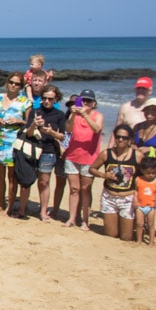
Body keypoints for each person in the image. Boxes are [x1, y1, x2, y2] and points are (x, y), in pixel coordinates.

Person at [0, 72, 32, 214]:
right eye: (11, 82)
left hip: (14, 142)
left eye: (17, 84)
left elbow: (29, 123)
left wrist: (19, 121)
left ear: (21, 86)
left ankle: (10, 205)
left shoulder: (25, 102)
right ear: (7, 83)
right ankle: (2, 203)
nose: (13, 85)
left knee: (12, 176)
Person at [89, 124, 140, 241]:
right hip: (109, 197)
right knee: (111, 234)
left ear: (130, 139)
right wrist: (103, 175)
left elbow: (144, 177)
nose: (121, 139)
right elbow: (92, 169)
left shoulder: (137, 155)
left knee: (126, 237)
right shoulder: (106, 153)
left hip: (127, 198)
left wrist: (138, 196)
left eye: (125, 138)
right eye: (118, 137)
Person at [63, 89, 104, 230]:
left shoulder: (98, 115)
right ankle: (72, 218)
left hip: (89, 158)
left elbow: (97, 129)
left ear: (94, 103)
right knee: (74, 189)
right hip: (72, 156)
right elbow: (68, 129)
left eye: (88, 101)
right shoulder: (75, 116)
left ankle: (85, 220)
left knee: (86, 189)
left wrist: (85, 115)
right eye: (82, 100)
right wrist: (74, 114)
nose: (85, 103)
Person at [24, 85, 65, 222]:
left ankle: (43, 211)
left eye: (50, 99)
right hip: (33, 149)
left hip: (49, 150)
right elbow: (28, 133)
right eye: (44, 98)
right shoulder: (35, 111)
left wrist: (51, 132)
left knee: (44, 181)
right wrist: (34, 125)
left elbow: (62, 137)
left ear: (56, 99)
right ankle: (23, 208)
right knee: (28, 179)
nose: (47, 101)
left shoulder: (59, 115)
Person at [133, 97, 156, 238]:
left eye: (154, 110)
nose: (150, 112)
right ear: (144, 111)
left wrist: (150, 149)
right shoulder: (138, 126)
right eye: (148, 109)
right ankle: (141, 227)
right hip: (139, 165)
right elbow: (132, 144)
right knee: (140, 196)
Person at [108, 77, 156, 147]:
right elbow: (116, 131)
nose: (140, 90)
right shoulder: (125, 108)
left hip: (153, 154)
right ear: (135, 89)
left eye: (144, 88)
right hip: (130, 151)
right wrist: (109, 149)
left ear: (150, 91)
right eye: (138, 88)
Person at [133, 157, 156, 245]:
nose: (151, 175)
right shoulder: (138, 180)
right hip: (140, 206)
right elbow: (136, 191)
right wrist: (135, 200)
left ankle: (151, 242)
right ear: (142, 170)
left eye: (153, 173)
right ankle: (139, 240)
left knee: (151, 225)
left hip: (151, 207)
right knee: (139, 224)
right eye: (148, 173)